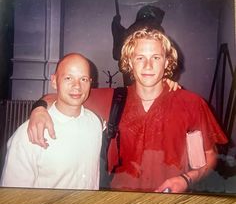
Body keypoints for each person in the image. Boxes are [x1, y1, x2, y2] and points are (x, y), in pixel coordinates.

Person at [27, 28, 228, 193]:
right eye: (140, 58)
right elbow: (63, 95)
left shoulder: (191, 104)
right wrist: (39, 109)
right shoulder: (113, 99)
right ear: (130, 63)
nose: (148, 65)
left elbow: (209, 155)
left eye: (156, 57)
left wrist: (186, 179)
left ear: (167, 62)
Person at [1, 53, 102, 190]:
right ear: (54, 81)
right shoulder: (29, 134)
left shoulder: (95, 123)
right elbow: (13, 199)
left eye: (83, 79)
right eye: (68, 78)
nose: (77, 86)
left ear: (91, 83)